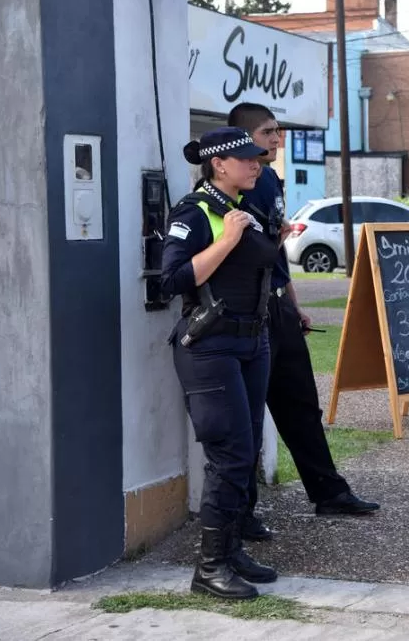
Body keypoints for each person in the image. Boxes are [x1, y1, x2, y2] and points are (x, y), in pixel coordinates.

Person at [226, 103, 380, 545]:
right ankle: (241, 513)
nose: (277, 139)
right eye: (267, 132)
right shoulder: (235, 188)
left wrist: (294, 306)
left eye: (278, 131)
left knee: (300, 404)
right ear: (243, 139)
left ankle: (329, 492)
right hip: (249, 313)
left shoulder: (268, 179)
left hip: (279, 308)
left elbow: (276, 257)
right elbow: (248, 254)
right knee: (248, 419)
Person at [161, 127, 279, 600]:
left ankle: (231, 551)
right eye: (246, 158)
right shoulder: (194, 211)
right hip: (210, 347)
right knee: (229, 455)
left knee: (246, 452)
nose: (256, 164)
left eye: (257, 158)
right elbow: (172, 279)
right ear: (218, 165)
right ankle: (209, 569)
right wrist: (227, 240)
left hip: (252, 342)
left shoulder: (244, 208)